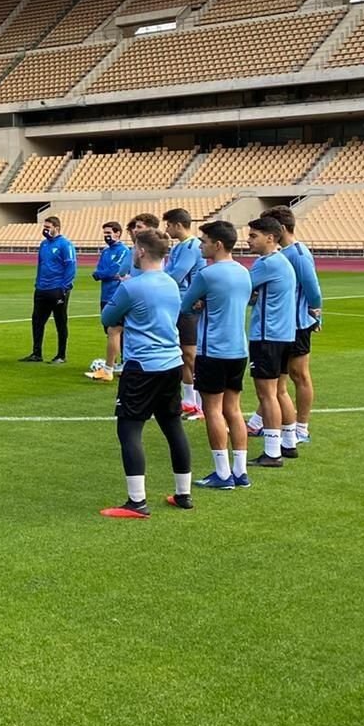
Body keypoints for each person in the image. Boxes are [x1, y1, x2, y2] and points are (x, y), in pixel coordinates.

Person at [99, 230, 195, 518]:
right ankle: (183, 494)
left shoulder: (132, 287)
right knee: (173, 426)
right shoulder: (171, 283)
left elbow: (108, 318)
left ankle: (137, 501)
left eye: (134, 248)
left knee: (129, 429)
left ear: (141, 251)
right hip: (171, 363)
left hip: (142, 365)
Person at [181, 221, 252, 490]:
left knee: (212, 410)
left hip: (213, 350)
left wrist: (200, 304)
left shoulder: (207, 274)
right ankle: (240, 471)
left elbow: (186, 306)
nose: (201, 245)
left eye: (205, 241)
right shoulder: (244, 272)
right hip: (238, 349)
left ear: (218, 244)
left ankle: (222, 473)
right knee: (233, 409)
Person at [265, 205, 323, 446]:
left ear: (281, 228)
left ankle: (302, 427)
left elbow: (313, 290)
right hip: (283, 325)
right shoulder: (283, 253)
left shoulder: (298, 254)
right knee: (276, 379)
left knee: (299, 375)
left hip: (298, 324)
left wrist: (317, 317)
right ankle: (263, 422)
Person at [245, 216, 299, 469]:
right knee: (279, 391)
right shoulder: (282, 261)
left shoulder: (266, 263)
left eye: (253, 236)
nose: (248, 240)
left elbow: (241, 287)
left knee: (266, 394)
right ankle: (289, 442)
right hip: (284, 334)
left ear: (270, 237)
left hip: (267, 336)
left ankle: (272, 452)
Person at [163, 208, 207, 418]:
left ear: (178, 225)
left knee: (191, 355)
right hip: (178, 306)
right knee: (183, 354)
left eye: (168, 225)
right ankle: (189, 400)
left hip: (189, 307)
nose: (167, 229)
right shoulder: (179, 246)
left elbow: (176, 275)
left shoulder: (192, 246)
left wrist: (157, 280)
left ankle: (202, 403)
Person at [23, 216, 76, 364]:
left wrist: (64, 288)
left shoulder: (65, 245)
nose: (45, 230)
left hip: (57, 289)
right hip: (42, 289)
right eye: (44, 227)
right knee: (37, 321)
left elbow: (70, 266)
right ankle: (37, 353)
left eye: (47, 227)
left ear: (56, 228)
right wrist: (37, 283)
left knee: (60, 322)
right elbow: (41, 264)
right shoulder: (44, 244)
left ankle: (61, 355)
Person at [87, 222, 131, 380]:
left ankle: (123, 363)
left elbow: (115, 271)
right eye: (104, 233)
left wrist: (102, 274)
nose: (106, 236)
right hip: (105, 295)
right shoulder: (105, 251)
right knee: (109, 331)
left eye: (109, 232)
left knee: (118, 331)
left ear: (118, 233)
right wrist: (103, 274)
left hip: (117, 295)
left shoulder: (124, 250)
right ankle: (116, 362)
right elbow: (100, 270)